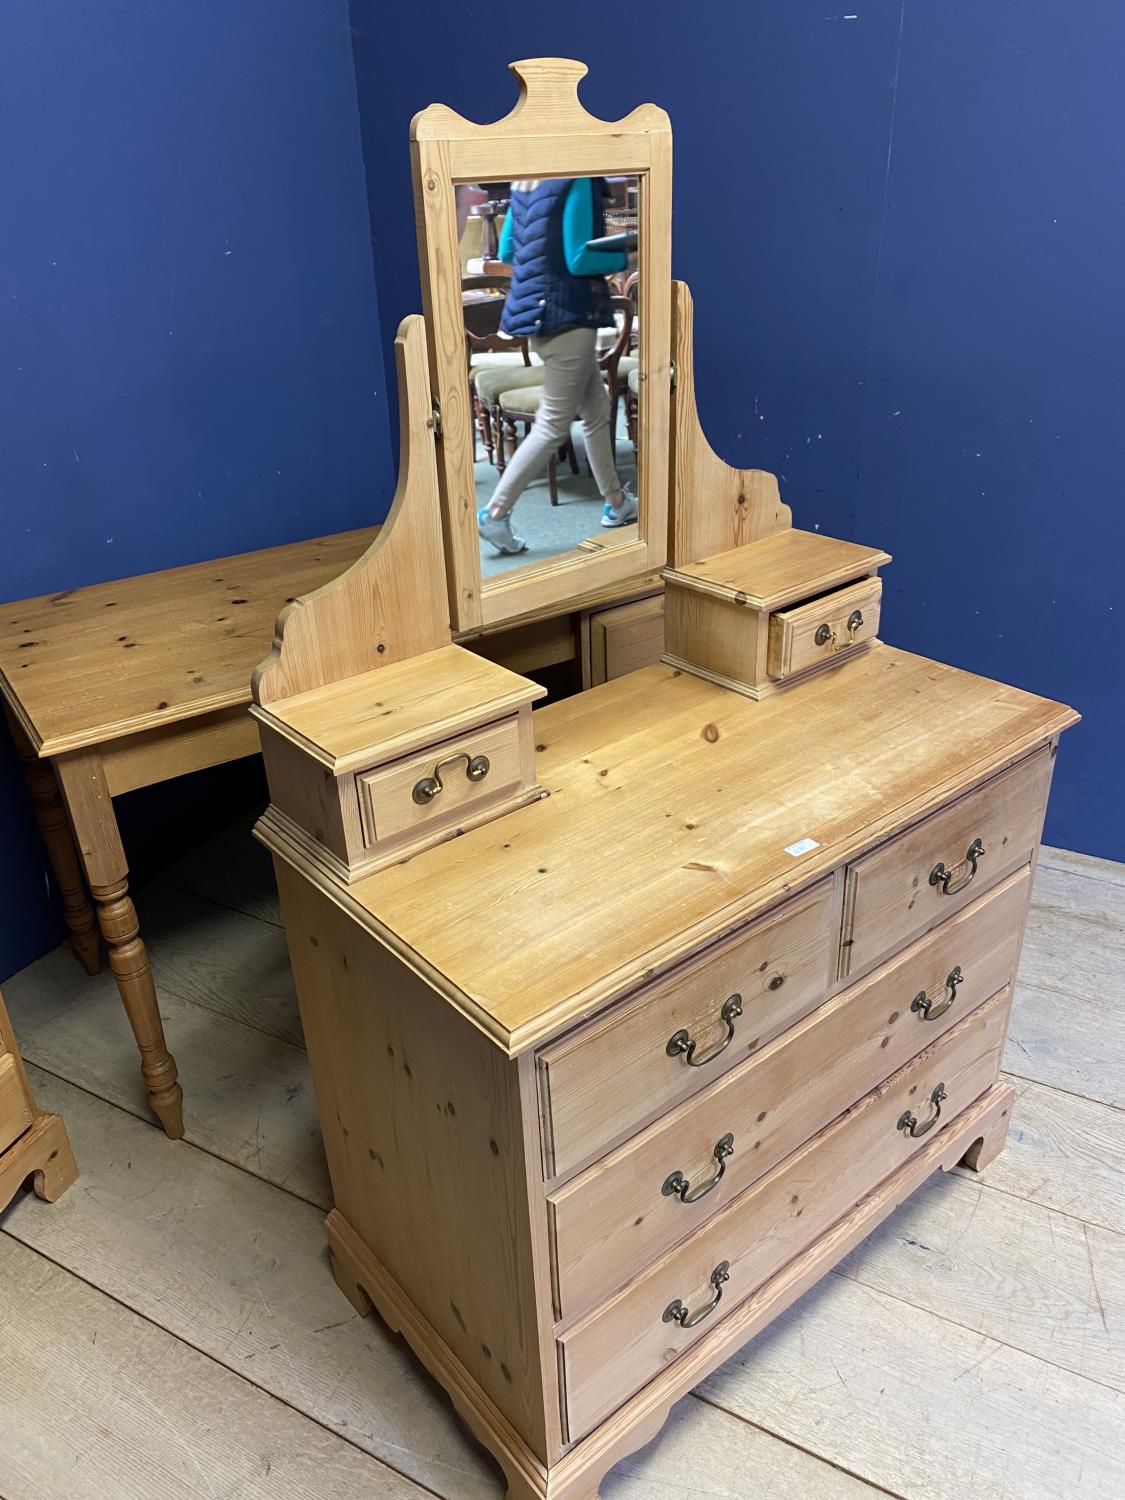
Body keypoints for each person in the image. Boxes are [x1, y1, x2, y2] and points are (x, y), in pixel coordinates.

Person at [477, 177, 638, 555]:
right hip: (569, 319)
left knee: (597, 407)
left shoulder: (524, 184)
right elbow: (580, 258)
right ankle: (496, 513)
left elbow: (508, 252)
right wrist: (627, 252)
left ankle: (616, 503)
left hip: (535, 318)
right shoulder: (577, 179)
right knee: (553, 422)